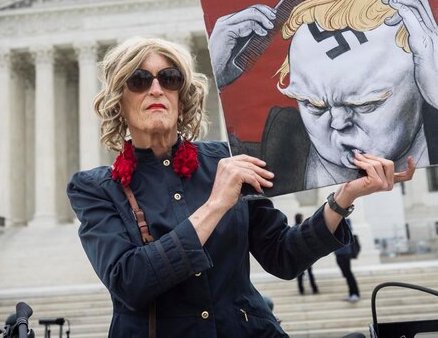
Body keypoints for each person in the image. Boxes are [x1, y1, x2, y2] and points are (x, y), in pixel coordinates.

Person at [68, 37, 415, 336]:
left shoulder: (228, 160)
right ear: (119, 100)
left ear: (181, 95)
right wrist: (215, 204)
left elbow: (283, 256)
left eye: (169, 78)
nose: (156, 88)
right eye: (140, 80)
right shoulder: (96, 188)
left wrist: (343, 197)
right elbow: (130, 283)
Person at [210, 0, 438, 193]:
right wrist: (216, 81)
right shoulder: (269, 155)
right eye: (313, 105)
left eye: (365, 104)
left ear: (423, 81)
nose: (339, 123)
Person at [335, 219, 360, 302]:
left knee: (348, 274)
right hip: (339, 252)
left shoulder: (346, 221)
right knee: (347, 274)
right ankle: (351, 293)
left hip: (344, 253)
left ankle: (355, 294)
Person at [294, 213, 318, 295]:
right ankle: (314, 289)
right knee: (309, 274)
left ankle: (302, 290)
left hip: (299, 257)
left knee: (300, 275)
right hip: (306, 255)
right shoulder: (301, 228)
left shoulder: (294, 228)